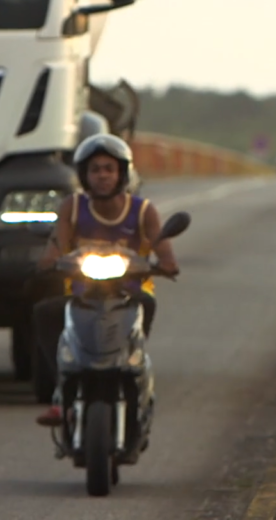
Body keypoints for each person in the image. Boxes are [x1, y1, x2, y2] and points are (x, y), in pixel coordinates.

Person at [32, 134, 180, 427]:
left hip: (129, 293)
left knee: (146, 304)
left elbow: (165, 255)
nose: (102, 176)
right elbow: (53, 251)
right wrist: (51, 262)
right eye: (95, 169)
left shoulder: (143, 211)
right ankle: (62, 391)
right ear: (84, 176)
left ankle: (135, 371)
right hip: (82, 294)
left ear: (122, 174)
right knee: (45, 312)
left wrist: (163, 264)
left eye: (109, 169)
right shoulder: (71, 208)